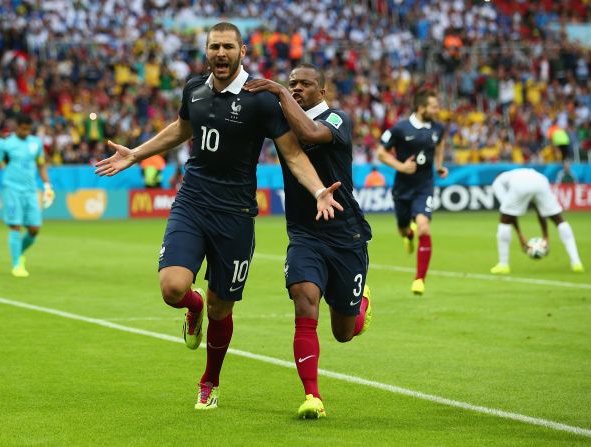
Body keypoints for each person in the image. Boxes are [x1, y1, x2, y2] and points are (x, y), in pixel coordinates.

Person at [94, 22, 343, 411]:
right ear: (206, 51)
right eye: (214, 46)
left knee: (221, 308)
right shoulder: (194, 88)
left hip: (236, 214)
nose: (221, 53)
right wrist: (136, 154)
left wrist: (316, 190)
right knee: (172, 288)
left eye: (228, 46)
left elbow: (293, 153)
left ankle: (210, 380)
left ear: (243, 51)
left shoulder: (261, 99)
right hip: (192, 202)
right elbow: (182, 128)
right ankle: (191, 309)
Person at [244, 64, 372, 419]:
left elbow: (312, 134)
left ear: (322, 91)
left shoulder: (337, 120)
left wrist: (280, 93)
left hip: (346, 233)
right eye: (292, 84)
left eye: (304, 84)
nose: (296, 88)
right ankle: (312, 396)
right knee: (303, 297)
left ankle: (359, 306)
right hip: (304, 233)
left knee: (345, 332)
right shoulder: (284, 120)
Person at [376, 88, 448, 295]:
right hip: (403, 188)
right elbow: (381, 153)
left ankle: (419, 280)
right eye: (433, 107)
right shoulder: (400, 128)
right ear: (421, 107)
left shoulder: (438, 128)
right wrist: (401, 166)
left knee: (424, 227)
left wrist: (439, 165)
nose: (437, 110)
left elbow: (440, 145)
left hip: (424, 186)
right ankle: (407, 235)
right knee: (403, 228)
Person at [0, 113, 55, 277]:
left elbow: (41, 166)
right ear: (16, 127)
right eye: (23, 129)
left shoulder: (36, 144)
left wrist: (47, 186)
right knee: (15, 226)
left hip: (31, 191)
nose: (25, 132)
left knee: (34, 229)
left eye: (28, 129)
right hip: (12, 190)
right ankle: (17, 264)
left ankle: (18, 253)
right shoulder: (5, 145)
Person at [490, 168, 584, 273]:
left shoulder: (497, 182)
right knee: (558, 219)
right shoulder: (519, 173)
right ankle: (576, 262)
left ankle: (503, 265)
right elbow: (540, 209)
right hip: (541, 180)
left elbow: (509, 214)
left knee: (504, 221)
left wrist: (520, 236)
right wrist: (545, 236)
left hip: (521, 185)